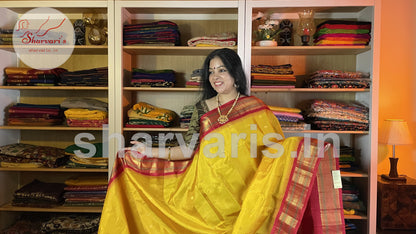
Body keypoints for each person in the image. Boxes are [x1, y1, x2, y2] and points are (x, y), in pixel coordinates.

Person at [98, 48, 345, 233]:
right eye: (211, 71)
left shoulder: (256, 109)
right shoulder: (202, 109)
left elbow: (276, 151)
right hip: (207, 196)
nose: (215, 76)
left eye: (222, 70)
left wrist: (309, 149)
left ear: (235, 74)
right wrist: (149, 150)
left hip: (248, 194)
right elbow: (187, 149)